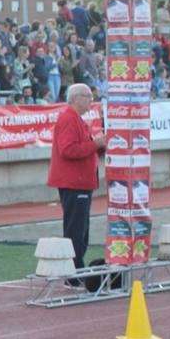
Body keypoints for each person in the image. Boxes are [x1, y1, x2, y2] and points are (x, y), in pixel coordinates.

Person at [47, 82, 106, 283]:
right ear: (76, 98)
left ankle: (76, 269)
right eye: (88, 96)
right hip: (74, 181)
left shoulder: (76, 120)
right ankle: (73, 273)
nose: (91, 100)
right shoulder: (69, 119)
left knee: (81, 229)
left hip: (80, 181)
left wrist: (97, 146)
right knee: (76, 229)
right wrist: (95, 144)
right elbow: (69, 150)